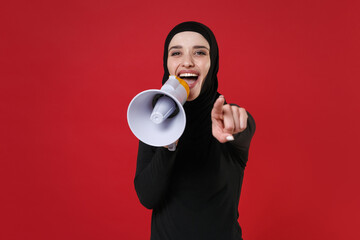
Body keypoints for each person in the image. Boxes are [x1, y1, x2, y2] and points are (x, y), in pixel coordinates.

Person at [134, 21, 256, 240]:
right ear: (167, 63)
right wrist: (168, 141)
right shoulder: (153, 121)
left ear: (213, 62)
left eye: (199, 52)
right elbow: (147, 197)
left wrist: (234, 128)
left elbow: (241, 126)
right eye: (176, 53)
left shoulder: (227, 116)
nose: (187, 62)